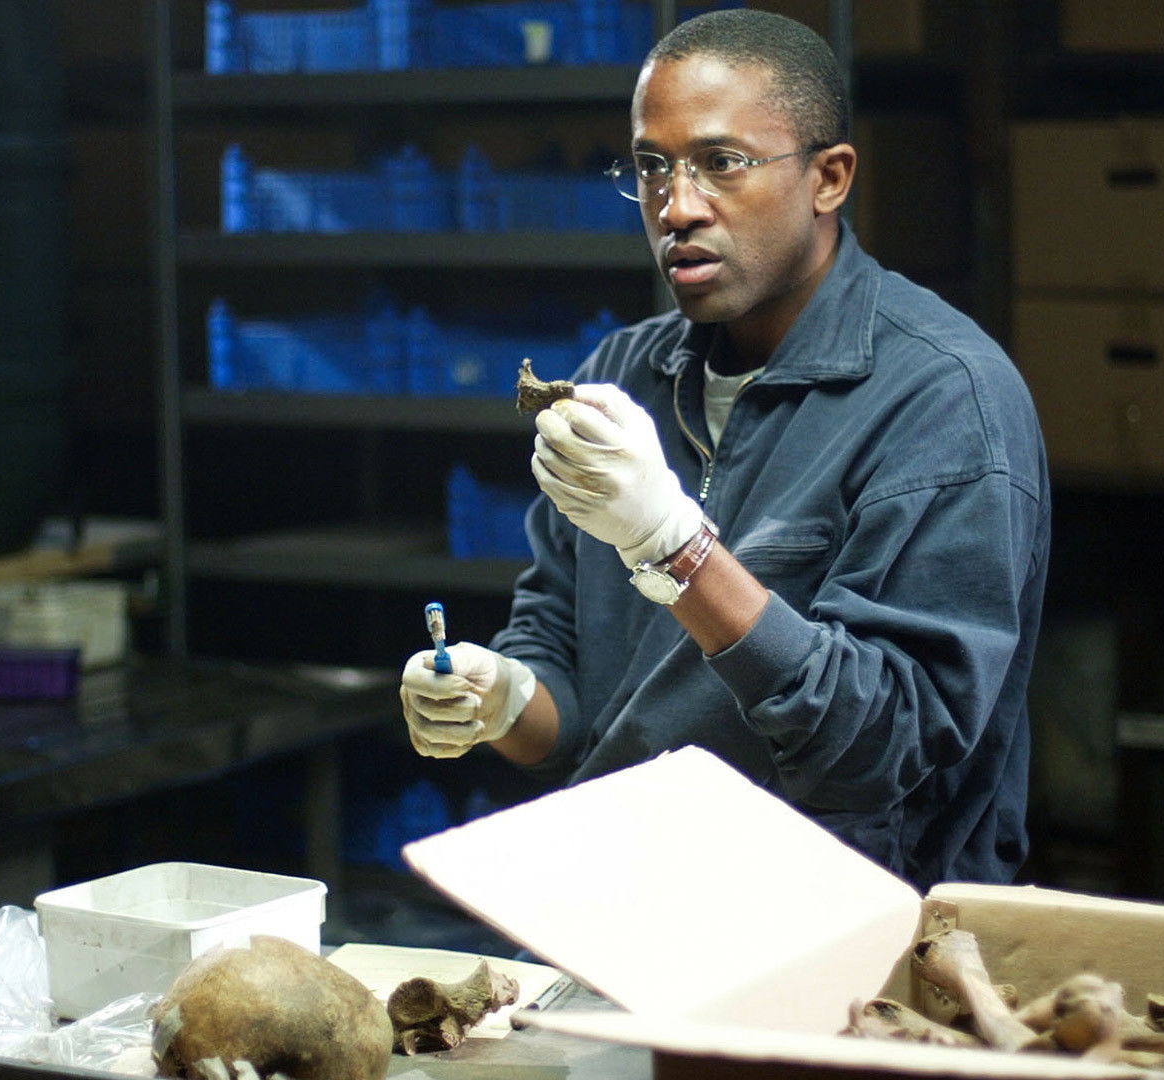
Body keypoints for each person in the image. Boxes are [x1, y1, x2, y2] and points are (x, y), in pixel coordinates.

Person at [398, 8, 1050, 890]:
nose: (677, 207)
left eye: (722, 163)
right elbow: (570, 689)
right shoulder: (620, 377)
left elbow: (881, 749)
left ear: (829, 178)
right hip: (624, 898)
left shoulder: (943, 400)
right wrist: (502, 698)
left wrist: (675, 546)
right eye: (651, 167)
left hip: (850, 926)